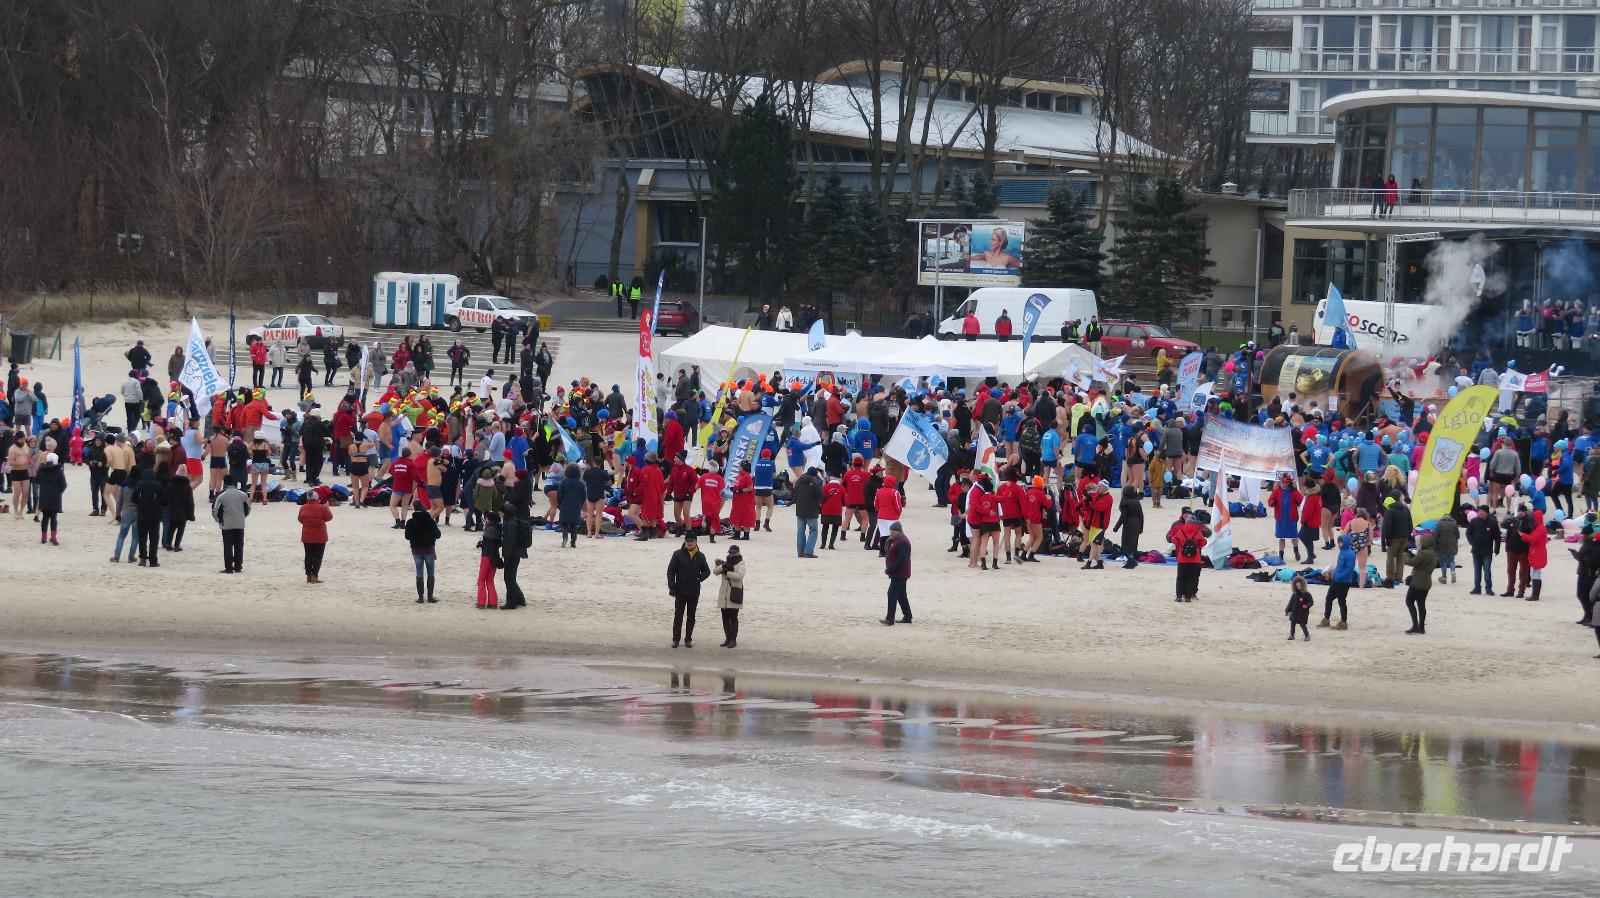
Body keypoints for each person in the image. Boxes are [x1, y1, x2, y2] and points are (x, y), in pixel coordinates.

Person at [666, 533, 711, 648]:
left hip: (694, 591)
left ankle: (688, 639)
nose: (690, 543)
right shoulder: (677, 554)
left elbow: (707, 571)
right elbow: (671, 571)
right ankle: (676, 639)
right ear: (685, 542)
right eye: (688, 541)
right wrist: (672, 587)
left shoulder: (700, 556)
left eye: (692, 541)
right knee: (678, 615)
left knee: (691, 616)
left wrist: (700, 578)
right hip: (680, 590)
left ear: (696, 542)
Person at [212, 475, 250, 574]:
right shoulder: (243, 494)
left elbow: (215, 510)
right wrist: (242, 517)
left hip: (227, 525)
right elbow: (248, 508)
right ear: (233, 482)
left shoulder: (221, 496)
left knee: (228, 546)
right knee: (239, 545)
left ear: (224, 483)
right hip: (240, 523)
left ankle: (229, 567)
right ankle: (238, 566)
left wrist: (218, 520)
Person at [1318, 534, 1356, 630]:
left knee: (1341, 600)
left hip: (1344, 582)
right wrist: (1332, 573)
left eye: (1341, 542)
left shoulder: (1350, 554)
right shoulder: (1341, 552)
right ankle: (1326, 619)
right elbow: (1339, 567)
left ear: (1346, 542)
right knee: (1329, 598)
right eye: (1338, 542)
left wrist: (1339, 577)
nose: (1339, 544)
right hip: (1336, 580)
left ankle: (1343, 622)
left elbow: (1349, 569)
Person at [405, 502, 441, 603]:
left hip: (416, 550)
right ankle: (430, 597)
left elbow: (407, 536)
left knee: (419, 572)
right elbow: (438, 535)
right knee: (431, 573)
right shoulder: (430, 521)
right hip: (429, 549)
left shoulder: (410, 522)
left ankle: (420, 598)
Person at [1168, 511, 1208, 603]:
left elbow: (1174, 541)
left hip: (1182, 559)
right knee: (1191, 579)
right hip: (1195, 560)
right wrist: (1197, 545)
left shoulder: (1181, 532)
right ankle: (1188, 597)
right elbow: (1204, 542)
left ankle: (1179, 596)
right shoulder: (1197, 533)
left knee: (1180, 578)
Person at [1404, 532, 1438, 634]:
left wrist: (1406, 555)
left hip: (1417, 581)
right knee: (1421, 604)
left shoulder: (1422, 553)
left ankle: (1415, 626)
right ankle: (1421, 627)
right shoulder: (1434, 554)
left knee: (1409, 601)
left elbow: (1411, 562)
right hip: (1427, 582)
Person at [714, 544, 746, 648]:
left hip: (734, 594)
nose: (732, 554)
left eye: (734, 552)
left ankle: (733, 640)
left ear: (738, 553)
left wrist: (727, 572)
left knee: (733, 618)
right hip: (724, 595)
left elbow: (739, 576)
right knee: (725, 618)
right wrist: (723, 566)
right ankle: (727, 638)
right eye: (730, 552)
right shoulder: (726, 563)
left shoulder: (741, 563)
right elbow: (715, 572)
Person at [882, 521, 912, 625]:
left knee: (892, 594)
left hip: (900, 573)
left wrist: (890, 569)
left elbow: (902, 559)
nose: (891, 532)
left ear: (899, 531)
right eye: (891, 530)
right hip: (897, 573)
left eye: (894, 531)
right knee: (901, 595)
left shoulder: (903, 542)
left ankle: (890, 618)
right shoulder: (894, 540)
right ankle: (908, 616)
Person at [298, 492, 332, 584]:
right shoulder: (322, 508)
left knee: (308, 556)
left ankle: (308, 576)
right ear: (317, 498)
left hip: (307, 535)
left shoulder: (303, 507)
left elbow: (300, 519)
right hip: (320, 536)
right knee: (318, 557)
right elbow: (329, 517)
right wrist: (327, 508)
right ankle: (314, 576)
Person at [1466, 504, 1501, 595]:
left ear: (1487, 512)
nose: (1480, 513)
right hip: (1476, 551)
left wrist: (1497, 548)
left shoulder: (1492, 522)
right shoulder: (1474, 521)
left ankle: (1488, 589)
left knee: (1487, 571)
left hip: (1487, 551)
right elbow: (1468, 533)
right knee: (1477, 571)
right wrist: (1472, 542)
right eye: (1479, 511)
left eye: (1482, 511)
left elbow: (1497, 536)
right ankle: (1477, 588)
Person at [33, 452, 66, 546]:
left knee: (45, 517)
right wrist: (59, 491)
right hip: (55, 496)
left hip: (44, 495)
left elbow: (37, 480)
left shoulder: (41, 469)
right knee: (53, 518)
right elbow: (63, 484)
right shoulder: (59, 470)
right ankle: (53, 537)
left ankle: (43, 537)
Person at [476, 509, 503, 609]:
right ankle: (493, 602)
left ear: (490, 520)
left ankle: (481, 602)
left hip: (487, 557)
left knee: (481, 580)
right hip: (495, 557)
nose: (485, 520)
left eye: (486, 519)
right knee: (490, 580)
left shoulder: (489, 530)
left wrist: (482, 545)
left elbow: (489, 545)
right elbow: (495, 544)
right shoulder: (498, 528)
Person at [793, 466, 823, 558]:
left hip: (800, 509)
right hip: (812, 510)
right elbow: (820, 497)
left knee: (800, 531)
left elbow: (794, 493)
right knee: (813, 530)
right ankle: (808, 552)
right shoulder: (815, 482)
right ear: (815, 475)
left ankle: (800, 552)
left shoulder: (799, 481)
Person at [1113, 484, 1143, 569]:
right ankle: (1131, 560)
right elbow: (1141, 515)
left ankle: (1131, 561)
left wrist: (1116, 527)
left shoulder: (1125, 502)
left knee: (1126, 544)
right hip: (1137, 523)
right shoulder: (1137, 501)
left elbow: (1123, 516)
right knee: (1133, 543)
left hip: (1129, 523)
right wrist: (1141, 527)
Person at [558, 461, 586, 547]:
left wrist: (560, 504)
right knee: (574, 525)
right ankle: (573, 542)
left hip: (564, 505)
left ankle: (565, 537)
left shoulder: (564, 482)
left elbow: (559, 494)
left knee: (563, 523)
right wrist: (580, 504)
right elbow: (583, 496)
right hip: (576, 506)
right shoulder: (581, 484)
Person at [1285, 575, 1315, 642]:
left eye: (1300, 586)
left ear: (1303, 585)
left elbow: (1311, 602)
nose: (1298, 588)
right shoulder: (1294, 594)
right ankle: (1292, 635)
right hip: (1294, 611)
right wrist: (1287, 610)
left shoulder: (1307, 594)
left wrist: (1306, 605)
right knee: (1292, 623)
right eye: (1297, 586)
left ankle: (1307, 635)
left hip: (1303, 612)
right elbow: (1290, 603)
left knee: (1302, 624)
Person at [1434, 512, 1460, 586]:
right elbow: (1458, 536)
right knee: (1452, 560)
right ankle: (1453, 572)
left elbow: (1436, 536)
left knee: (1443, 562)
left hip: (1442, 545)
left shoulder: (1439, 524)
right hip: (1452, 544)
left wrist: (1435, 546)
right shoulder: (1454, 523)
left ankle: (1444, 577)